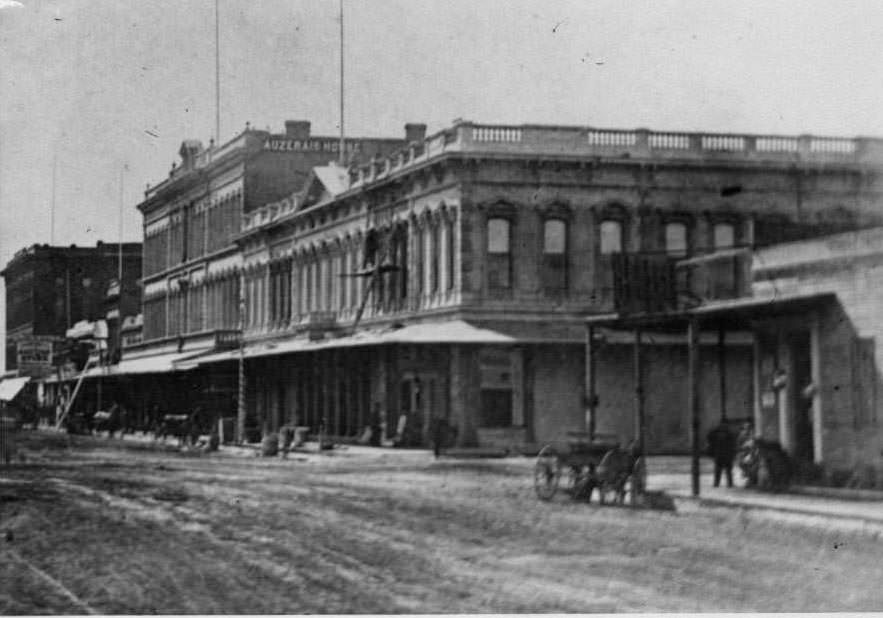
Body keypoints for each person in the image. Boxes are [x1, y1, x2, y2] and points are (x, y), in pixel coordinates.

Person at [706, 421, 737, 488]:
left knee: (718, 471)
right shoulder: (729, 432)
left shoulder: (716, 432)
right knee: (728, 471)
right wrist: (733, 454)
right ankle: (730, 484)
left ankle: (716, 484)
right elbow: (733, 444)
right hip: (727, 455)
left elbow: (709, 437)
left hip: (719, 454)